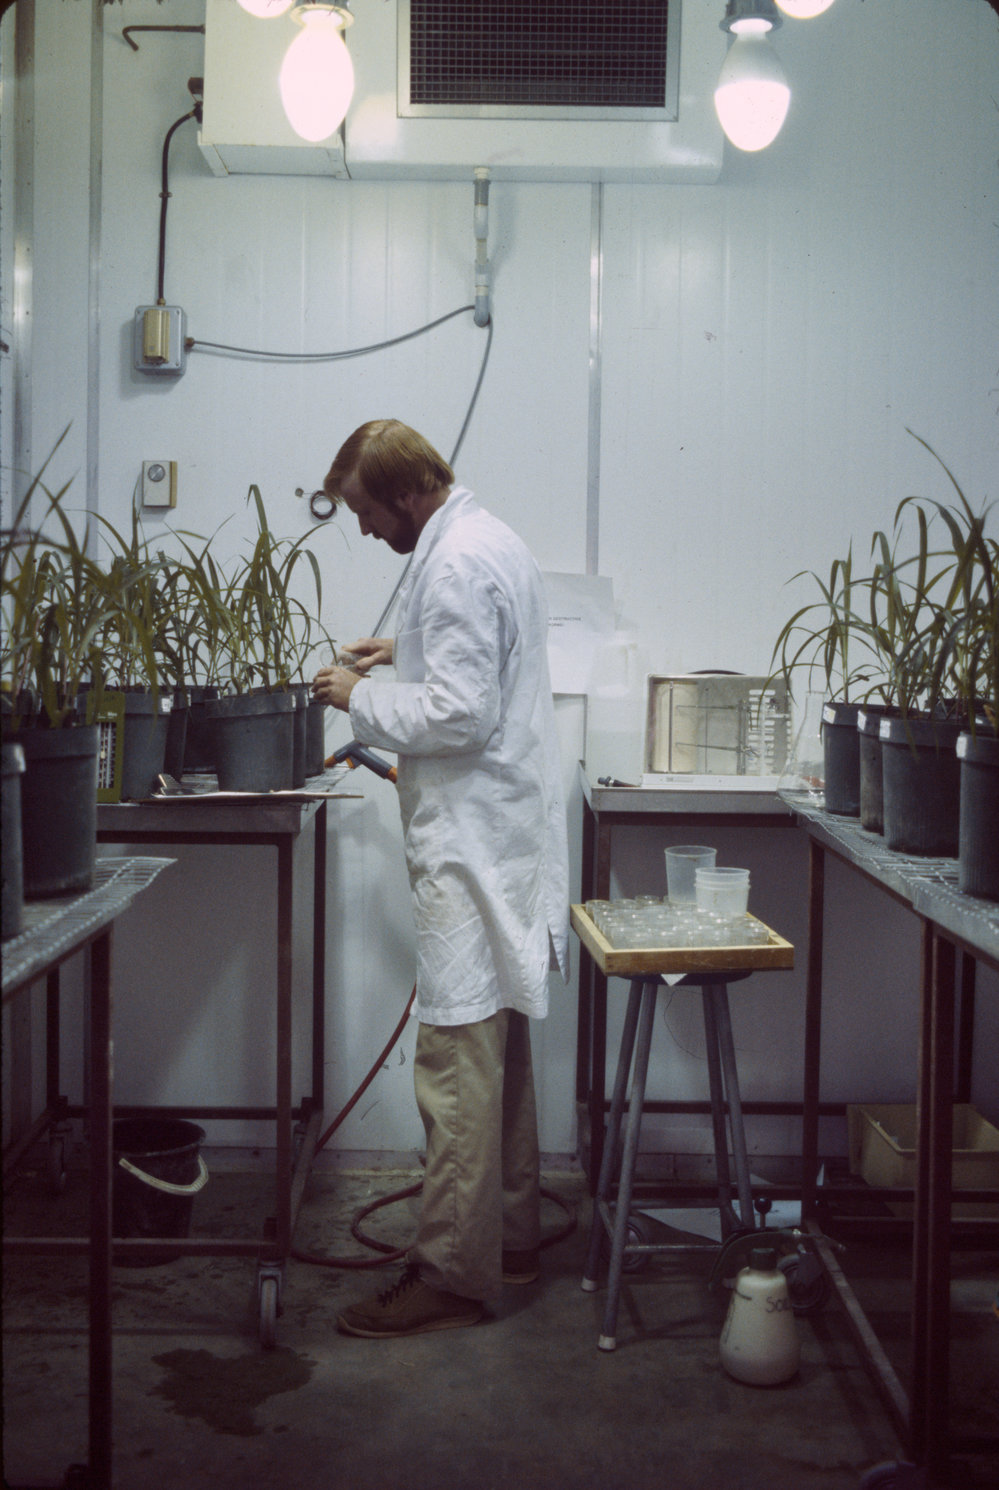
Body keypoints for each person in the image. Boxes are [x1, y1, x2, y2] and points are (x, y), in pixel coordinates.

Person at [311, 419, 569, 1338]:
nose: (368, 530)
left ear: (407, 493)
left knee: (455, 1062)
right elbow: (472, 667)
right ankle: (513, 1234)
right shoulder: (484, 536)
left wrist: (361, 697)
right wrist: (401, 655)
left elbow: (459, 714)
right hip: (500, 832)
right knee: (495, 1046)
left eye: (369, 512)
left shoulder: (454, 562)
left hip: (472, 841)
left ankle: (453, 1275)